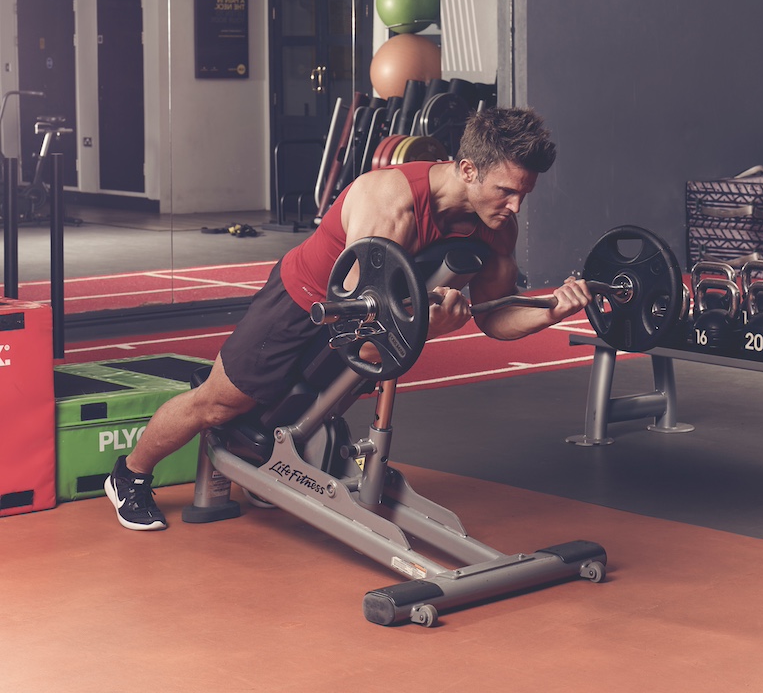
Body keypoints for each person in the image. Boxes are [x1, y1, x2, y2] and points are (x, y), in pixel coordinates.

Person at [104, 106, 591, 531]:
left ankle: (257, 468)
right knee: (216, 404)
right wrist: (428, 328)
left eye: (523, 194)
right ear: (467, 169)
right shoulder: (390, 204)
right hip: (302, 303)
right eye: (507, 191)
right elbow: (358, 333)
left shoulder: (495, 223)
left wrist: (553, 311)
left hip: (378, 319)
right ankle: (129, 474)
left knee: (313, 407)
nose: (515, 207)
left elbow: (497, 317)